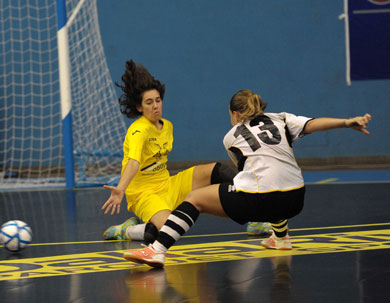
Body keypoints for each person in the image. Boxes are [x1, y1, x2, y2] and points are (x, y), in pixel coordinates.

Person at [121, 89, 372, 268]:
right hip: (296, 198)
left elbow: (246, 177)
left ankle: (156, 251)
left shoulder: (232, 135)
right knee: (274, 184)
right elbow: (313, 124)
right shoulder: (281, 119)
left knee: (197, 200)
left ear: (234, 113)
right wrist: (347, 122)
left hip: (262, 199)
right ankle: (281, 238)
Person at [101, 61, 272, 244]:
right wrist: (120, 189)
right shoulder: (138, 131)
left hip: (169, 185)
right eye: (149, 103)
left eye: (158, 101)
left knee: (219, 171)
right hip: (144, 195)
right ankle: (128, 230)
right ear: (139, 107)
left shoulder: (167, 126)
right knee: (167, 231)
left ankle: (256, 220)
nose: (156, 106)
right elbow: (134, 161)